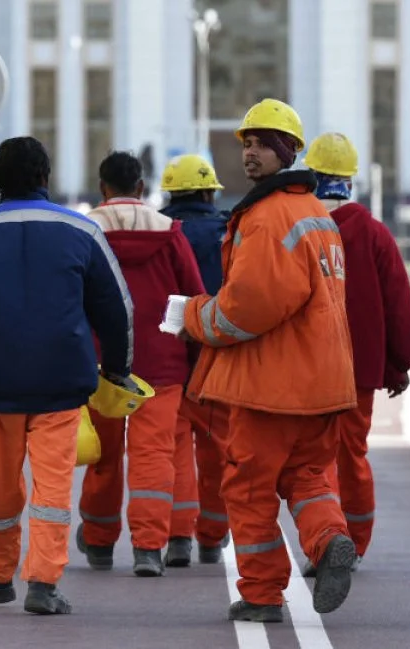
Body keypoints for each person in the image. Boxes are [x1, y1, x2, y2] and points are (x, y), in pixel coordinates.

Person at [0, 136, 134, 616]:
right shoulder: (81, 231)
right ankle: (43, 581)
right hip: (60, 383)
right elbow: (116, 310)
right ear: (45, 177)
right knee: (53, 488)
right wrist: (118, 369)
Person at [181, 98, 357, 623]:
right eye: (246, 145)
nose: (250, 154)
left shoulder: (265, 218)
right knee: (307, 476)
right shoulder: (318, 216)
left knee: (249, 487)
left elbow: (245, 310)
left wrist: (193, 317)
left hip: (272, 387)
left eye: (260, 144)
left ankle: (260, 593)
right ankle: (330, 542)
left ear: (287, 150)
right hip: (325, 383)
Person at [77, 151, 206, 576]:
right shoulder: (170, 232)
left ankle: (98, 540)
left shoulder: (85, 229)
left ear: (102, 188)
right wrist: (191, 360)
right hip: (163, 362)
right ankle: (149, 548)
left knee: (104, 455)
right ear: (141, 188)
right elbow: (192, 298)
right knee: (155, 454)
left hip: (101, 363)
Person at [299, 132, 410, 575]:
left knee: (313, 459)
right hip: (358, 371)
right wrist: (398, 364)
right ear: (350, 180)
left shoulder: (298, 227)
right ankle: (355, 542)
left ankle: (326, 539)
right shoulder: (374, 233)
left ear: (310, 174)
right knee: (352, 455)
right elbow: (398, 304)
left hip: (306, 367)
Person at [159, 153, 234, 566]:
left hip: (171, 356)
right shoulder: (227, 232)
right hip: (219, 355)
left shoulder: (163, 232)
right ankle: (211, 535)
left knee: (173, 449)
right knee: (217, 450)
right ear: (209, 192)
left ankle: (178, 537)